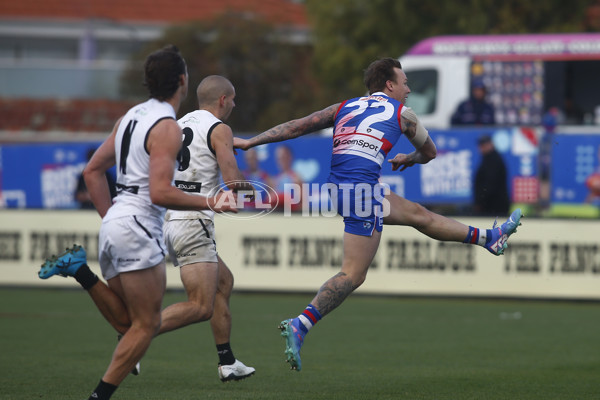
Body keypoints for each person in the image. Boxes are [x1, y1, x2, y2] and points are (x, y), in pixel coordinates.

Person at [234, 57, 522, 372]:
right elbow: (430, 153)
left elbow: (296, 126)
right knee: (353, 274)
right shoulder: (404, 115)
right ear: (389, 84)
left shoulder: (345, 106)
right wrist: (410, 158)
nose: (408, 89)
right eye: (405, 82)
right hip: (362, 191)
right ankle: (301, 324)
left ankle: (490, 238)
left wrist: (251, 141)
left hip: (340, 187)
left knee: (417, 214)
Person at [37, 45, 236, 400]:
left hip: (113, 224)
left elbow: (92, 171)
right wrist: (210, 200)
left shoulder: (128, 117)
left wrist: (111, 217)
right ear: (181, 81)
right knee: (147, 326)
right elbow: (160, 192)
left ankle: (81, 271)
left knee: (128, 324)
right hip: (140, 226)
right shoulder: (167, 127)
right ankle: (99, 396)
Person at [161, 75, 255, 381]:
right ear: (223, 100)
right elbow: (232, 182)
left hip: (175, 217)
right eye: (234, 99)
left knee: (223, 282)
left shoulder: (178, 123)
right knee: (200, 306)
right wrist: (255, 191)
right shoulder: (220, 128)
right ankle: (133, 334)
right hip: (194, 222)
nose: (235, 104)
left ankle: (227, 362)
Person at [473, 134, 510, 216]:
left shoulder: (494, 160)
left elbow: (490, 184)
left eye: (484, 145)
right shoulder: (488, 159)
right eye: (481, 145)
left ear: (491, 145)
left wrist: (480, 201)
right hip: (491, 204)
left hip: (494, 205)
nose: (481, 148)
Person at [271, 144, 304, 211]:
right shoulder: (274, 180)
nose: (281, 161)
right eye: (278, 158)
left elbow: (302, 203)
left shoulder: (297, 179)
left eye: (283, 158)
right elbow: (270, 201)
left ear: (289, 158)